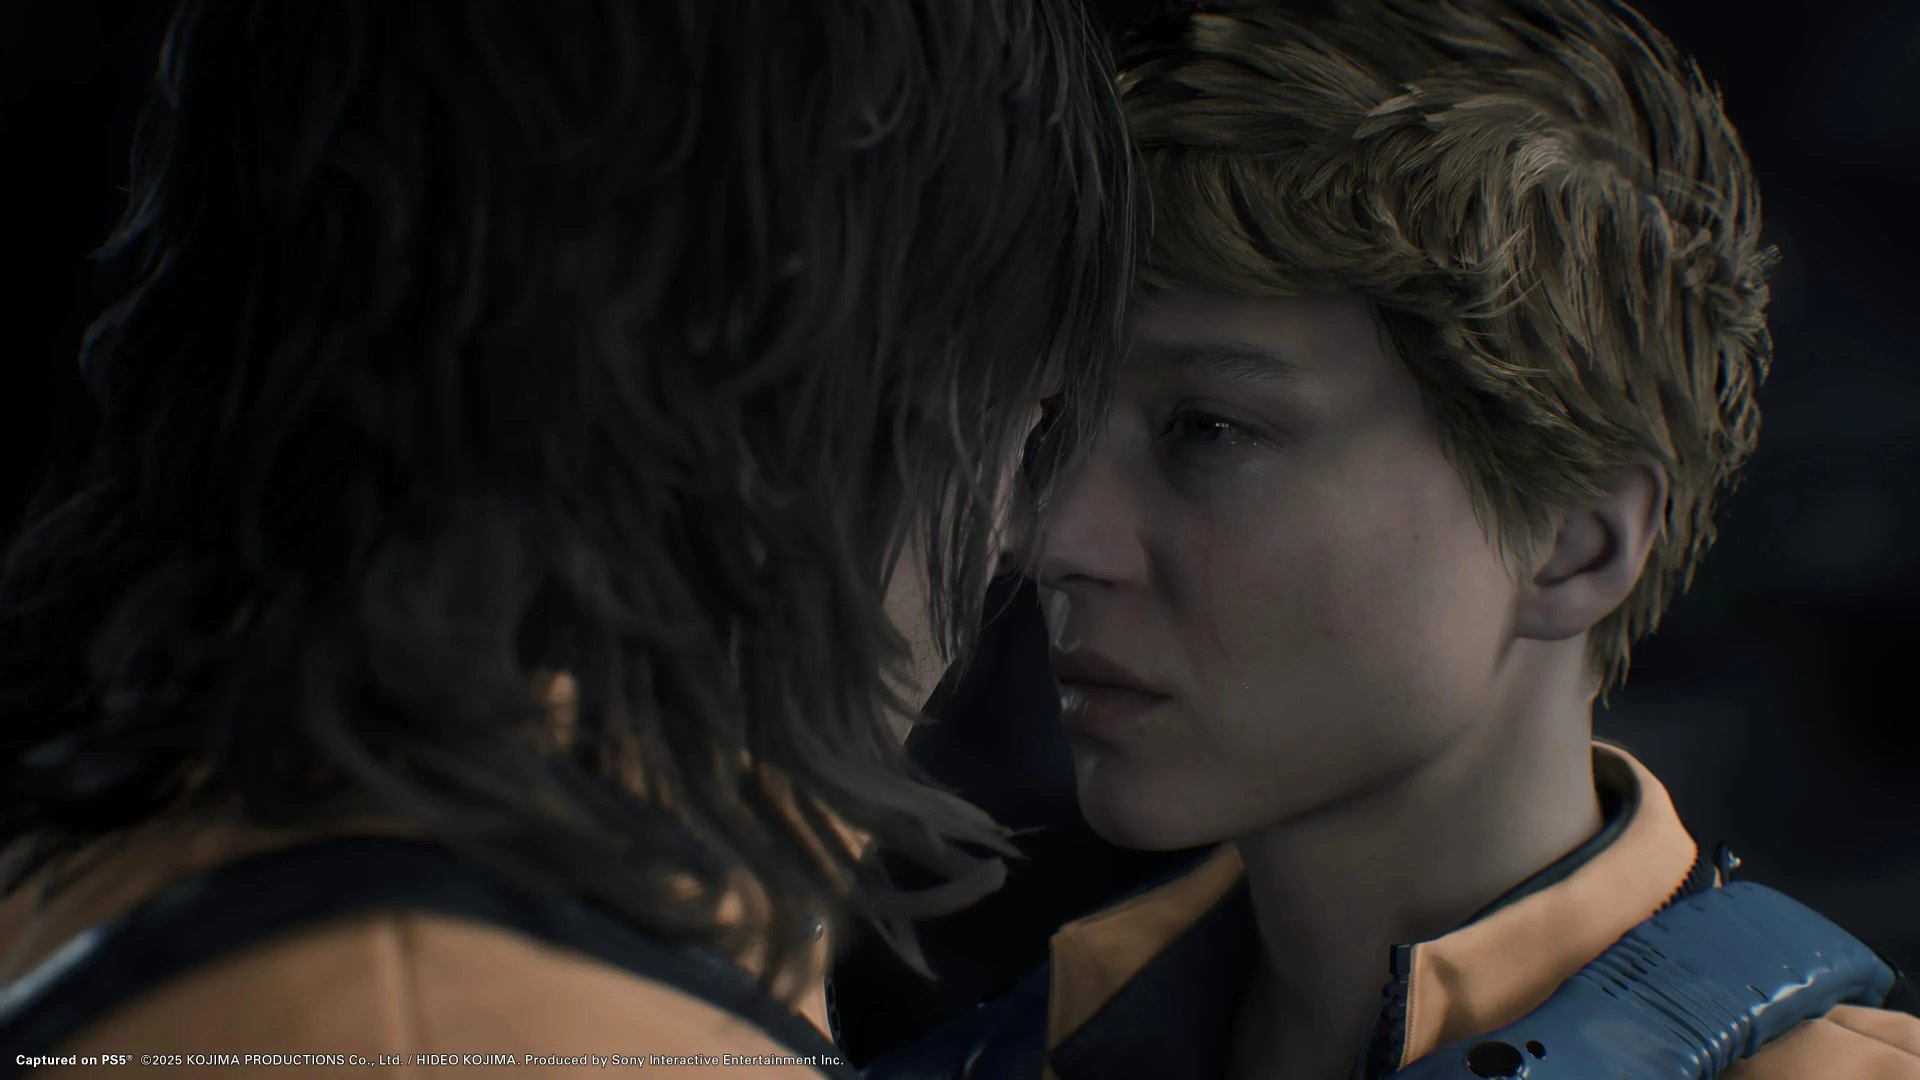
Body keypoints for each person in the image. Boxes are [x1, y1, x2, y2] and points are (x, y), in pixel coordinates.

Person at [0, 1, 1133, 1074]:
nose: (1019, 537)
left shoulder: (189, 866)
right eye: (1021, 426)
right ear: (776, 364)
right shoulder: (488, 1029)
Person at [863, 1, 1920, 1078]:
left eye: (1208, 431)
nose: (1051, 541)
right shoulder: (1003, 1048)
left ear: (1575, 540)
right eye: (1055, 431)